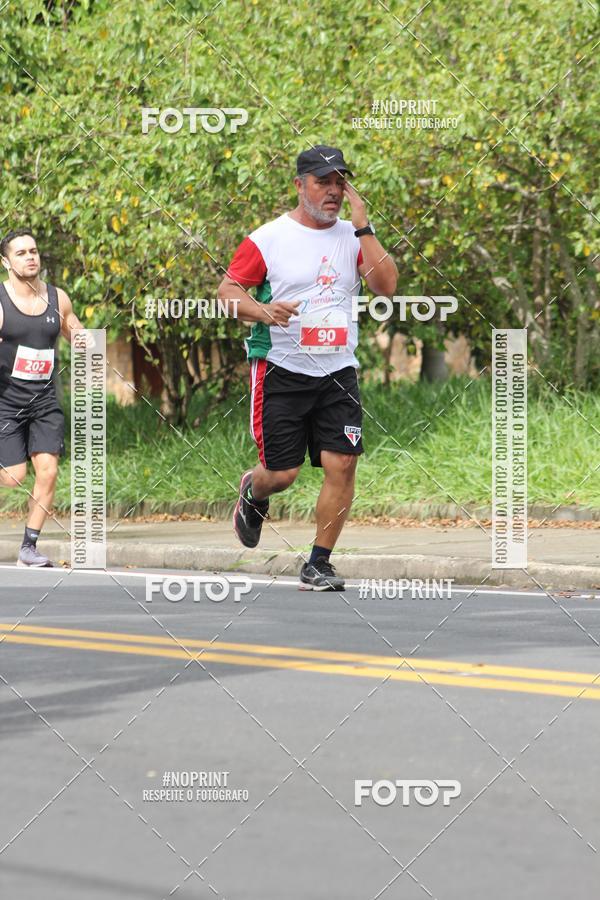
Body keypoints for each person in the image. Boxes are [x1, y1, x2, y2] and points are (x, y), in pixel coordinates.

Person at [218, 145, 398, 590]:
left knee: (344, 464)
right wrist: (262, 312)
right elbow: (227, 292)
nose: (333, 191)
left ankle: (318, 562)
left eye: (340, 182)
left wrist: (363, 225)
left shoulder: (352, 237)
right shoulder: (267, 239)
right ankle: (253, 492)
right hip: (282, 368)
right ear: (299, 186)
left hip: (339, 370)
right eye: (323, 181)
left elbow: (386, 286)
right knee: (282, 473)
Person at [0, 228, 84, 567]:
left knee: (48, 472)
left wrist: (84, 340)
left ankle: (28, 548)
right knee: (13, 476)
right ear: (6, 262)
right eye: (21, 253)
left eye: (33, 251)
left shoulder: (57, 297)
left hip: (44, 401)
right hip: (5, 400)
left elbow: (73, 328)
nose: (30, 257)